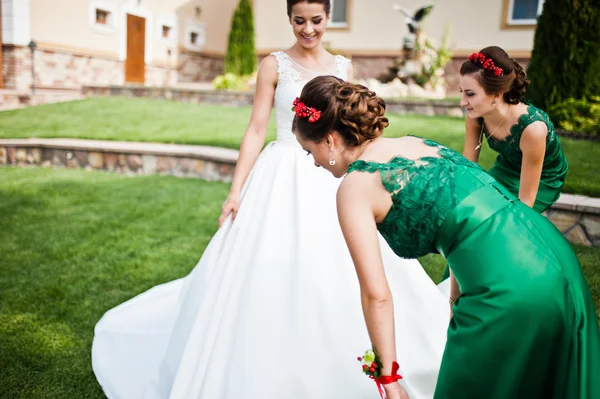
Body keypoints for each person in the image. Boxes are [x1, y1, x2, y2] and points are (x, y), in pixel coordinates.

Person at [91, 2, 448, 398]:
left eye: (316, 20)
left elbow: (352, 131)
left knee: (345, 263)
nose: (308, 29)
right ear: (289, 19)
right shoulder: (273, 65)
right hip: (279, 175)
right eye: (299, 21)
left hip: (333, 173)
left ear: (328, 18)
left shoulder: (343, 67)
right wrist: (235, 190)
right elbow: (256, 127)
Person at [293, 75, 600, 399]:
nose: (313, 162)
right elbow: (466, 223)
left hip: (508, 285)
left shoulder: (355, 187)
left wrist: (388, 378)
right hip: (550, 251)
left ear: (329, 140)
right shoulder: (417, 143)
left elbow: (376, 294)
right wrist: (454, 302)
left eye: (308, 150)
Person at [438, 45, 570, 284]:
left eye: (470, 94)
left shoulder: (532, 128)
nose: (462, 102)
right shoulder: (475, 115)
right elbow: (469, 165)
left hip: (542, 179)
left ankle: (499, 286)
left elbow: (525, 203)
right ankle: (452, 294)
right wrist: (461, 202)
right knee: (468, 222)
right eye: (461, 92)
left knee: (495, 227)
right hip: (508, 167)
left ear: (496, 94)